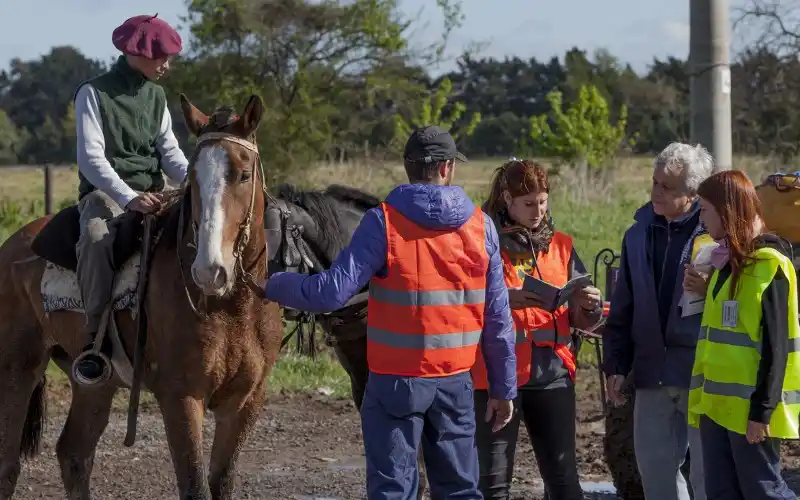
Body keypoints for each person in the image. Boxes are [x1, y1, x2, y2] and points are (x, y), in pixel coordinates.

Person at [263, 126, 517, 499]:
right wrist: (503, 388)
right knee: (460, 490)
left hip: (395, 384)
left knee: (392, 490)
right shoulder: (482, 228)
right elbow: (498, 319)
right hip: (454, 383)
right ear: (446, 167)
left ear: (408, 167)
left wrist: (272, 283)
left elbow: (331, 292)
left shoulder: (383, 222)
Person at [470, 159, 604, 500]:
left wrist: (587, 307)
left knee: (564, 483)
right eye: (529, 203)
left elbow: (581, 320)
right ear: (507, 199)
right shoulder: (480, 243)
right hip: (496, 378)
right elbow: (460, 303)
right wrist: (502, 300)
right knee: (492, 485)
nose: (538, 211)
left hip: (552, 375)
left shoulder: (561, 245)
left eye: (543, 202)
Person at [72, 14, 189, 385]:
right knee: (95, 238)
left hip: (157, 191)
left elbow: (170, 152)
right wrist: (129, 197)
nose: (167, 64)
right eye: (161, 57)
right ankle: (95, 341)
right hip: (107, 194)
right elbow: (91, 159)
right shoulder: (93, 93)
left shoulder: (156, 96)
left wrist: (195, 181)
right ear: (137, 53)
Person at [602, 142, 714, 500]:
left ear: (693, 194)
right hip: (651, 373)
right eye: (654, 182)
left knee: (709, 478)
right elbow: (623, 307)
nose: (656, 192)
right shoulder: (636, 235)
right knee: (657, 478)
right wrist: (616, 364)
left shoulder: (717, 236)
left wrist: (713, 286)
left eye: (667, 187)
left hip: (701, 374)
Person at [687, 170, 800, 500]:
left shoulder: (769, 265)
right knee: (722, 493)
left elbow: (776, 347)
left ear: (727, 211)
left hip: (749, 412)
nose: (702, 219)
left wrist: (761, 412)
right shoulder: (723, 264)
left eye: (705, 210)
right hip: (715, 408)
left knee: (764, 491)